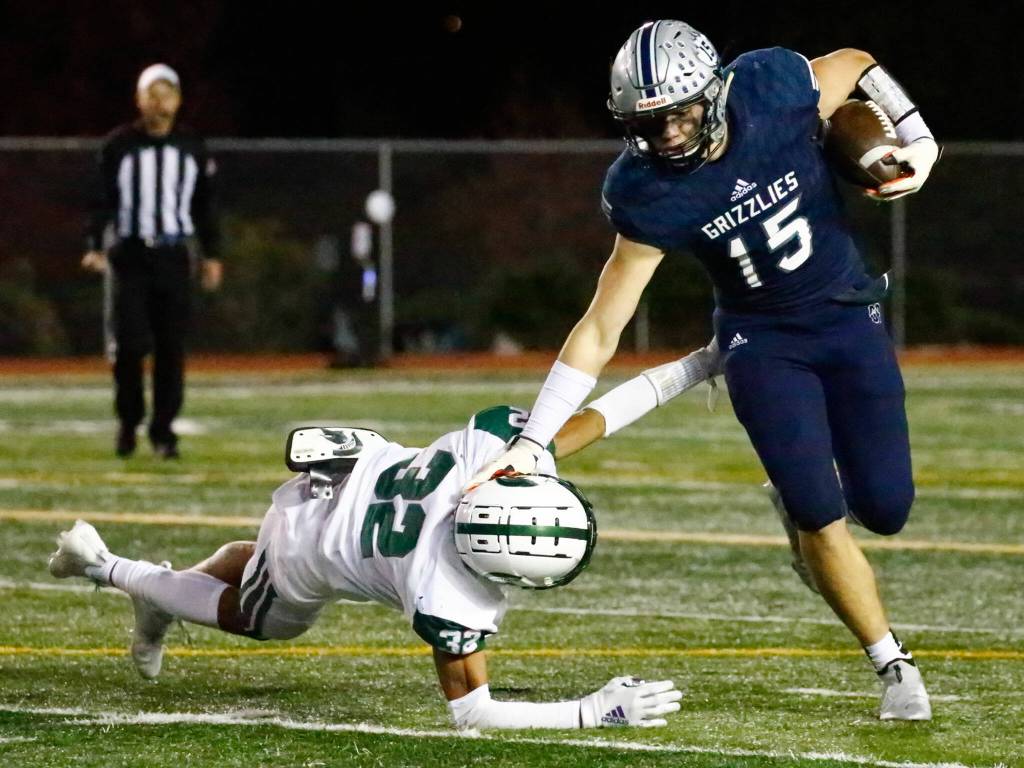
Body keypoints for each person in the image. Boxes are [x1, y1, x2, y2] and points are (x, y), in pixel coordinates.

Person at [471, 21, 940, 721]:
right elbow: (604, 321)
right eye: (648, 124)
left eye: (678, 115)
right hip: (760, 341)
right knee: (819, 508)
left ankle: (803, 511)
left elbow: (855, 62)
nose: (665, 137)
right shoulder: (647, 190)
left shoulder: (771, 86)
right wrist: (536, 437)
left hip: (848, 314)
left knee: (887, 508)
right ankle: (891, 663)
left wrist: (922, 144)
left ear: (713, 91)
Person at [47, 347, 717, 730]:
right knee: (261, 618)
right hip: (310, 545)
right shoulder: (447, 593)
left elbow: (597, 414)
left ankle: (152, 593)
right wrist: (591, 714)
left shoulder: (498, 450)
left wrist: (698, 362)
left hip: (350, 469)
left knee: (248, 568)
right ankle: (106, 565)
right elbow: (473, 715)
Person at [82, 63, 223, 459]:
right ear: (139, 99)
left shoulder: (191, 147)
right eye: (153, 94)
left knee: (170, 348)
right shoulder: (119, 145)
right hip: (129, 255)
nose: (160, 103)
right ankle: (129, 422)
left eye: (167, 94)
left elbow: (205, 205)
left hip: (173, 255)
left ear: (178, 100)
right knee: (129, 345)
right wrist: (94, 244)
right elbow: (100, 200)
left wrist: (212, 254)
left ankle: (163, 431)